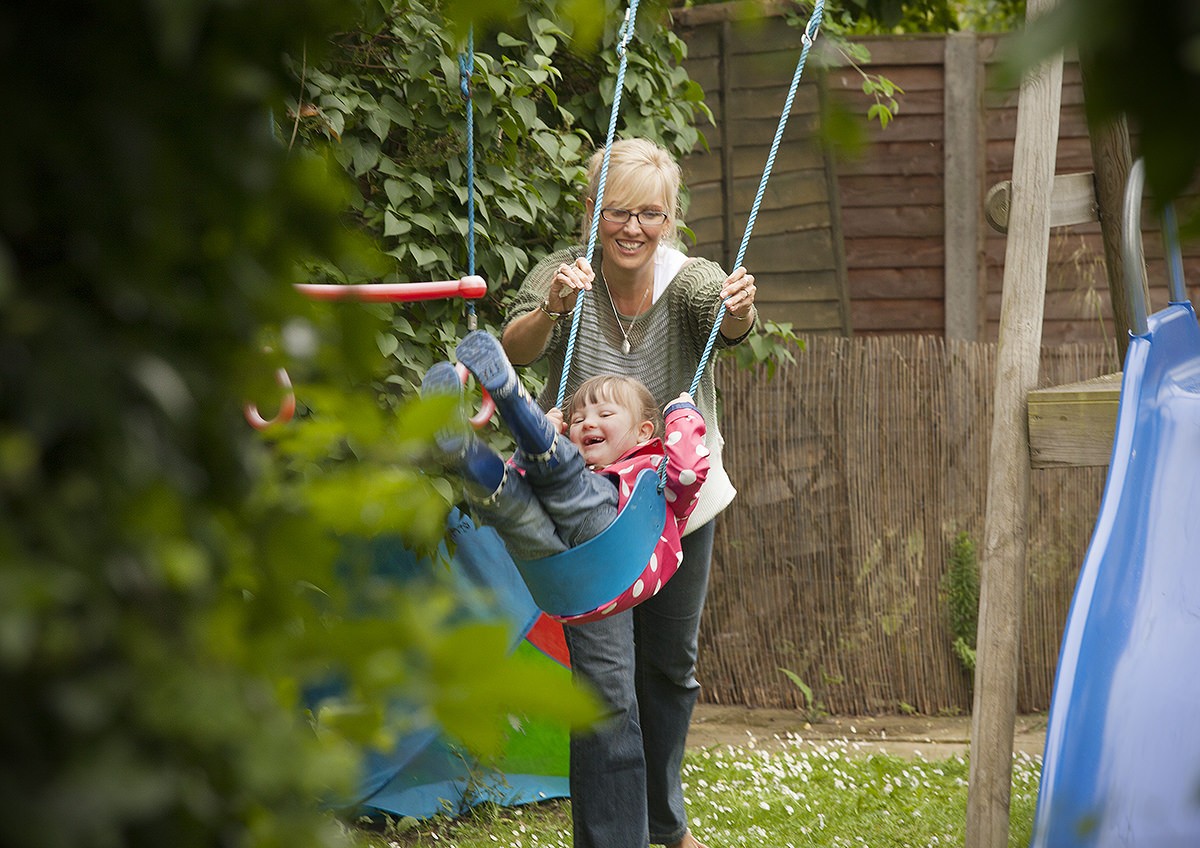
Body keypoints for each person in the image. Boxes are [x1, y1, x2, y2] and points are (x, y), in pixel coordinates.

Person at [500, 138, 757, 848]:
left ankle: (664, 825)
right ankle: (612, 836)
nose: (634, 228)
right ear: (591, 213)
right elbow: (516, 346)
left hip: (678, 505)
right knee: (603, 685)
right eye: (618, 212)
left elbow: (726, 319)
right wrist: (552, 308)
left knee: (669, 669)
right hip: (590, 515)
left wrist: (738, 307)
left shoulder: (688, 279)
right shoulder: (567, 277)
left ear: (669, 218)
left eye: (651, 213)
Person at [422, 330, 709, 601]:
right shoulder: (577, 469)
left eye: (605, 413)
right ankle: (465, 450)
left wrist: (682, 413)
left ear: (644, 432)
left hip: (616, 545)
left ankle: (515, 401)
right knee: (510, 503)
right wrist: (541, 438)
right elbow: (520, 481)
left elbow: (689, 470)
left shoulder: (653, 476)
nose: (588, 423)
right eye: (579, 420)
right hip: (555, 570)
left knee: (567, 479)